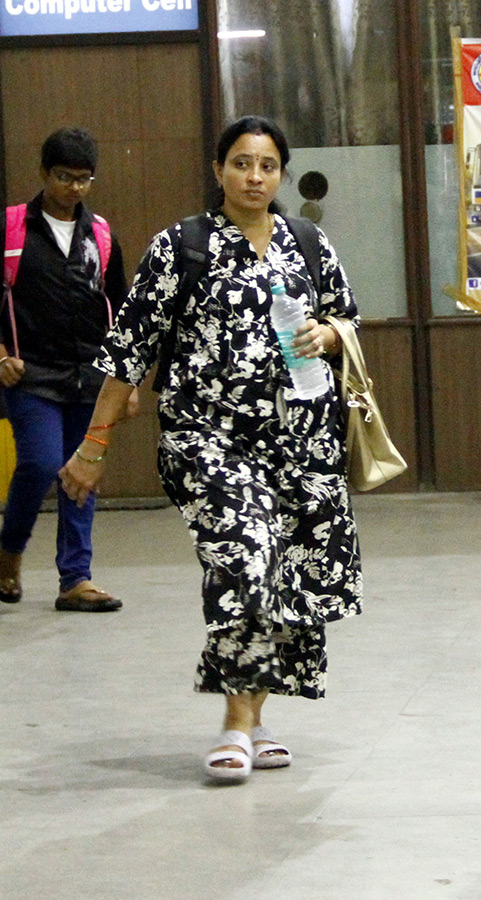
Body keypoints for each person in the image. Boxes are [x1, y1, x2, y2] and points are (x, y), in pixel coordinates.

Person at [59, 116, 363, 783]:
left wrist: (330, 335)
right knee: (246, 559)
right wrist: (93, 445)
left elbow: (347, 316)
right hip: (209, 441)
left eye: (267, 166)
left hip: (301, 444)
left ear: (281, 173)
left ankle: (254, 718)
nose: (254, 177)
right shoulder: (182, 247)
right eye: (240, 163)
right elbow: (129, 349)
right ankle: (234, 722)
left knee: (289, 582)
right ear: (219, 169)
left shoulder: (308, 243)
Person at [0, 127, 132, 612]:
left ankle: (75, 578)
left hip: (90, 376)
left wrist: (126, 381)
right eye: (64, 177)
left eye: (84, 179)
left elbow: (119, 310)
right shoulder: (12, 228)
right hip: (30, 375)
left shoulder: (100, 236)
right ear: (43, 173)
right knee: (38, 462)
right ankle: (9, 552)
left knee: (83, 472)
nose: (74, 188)